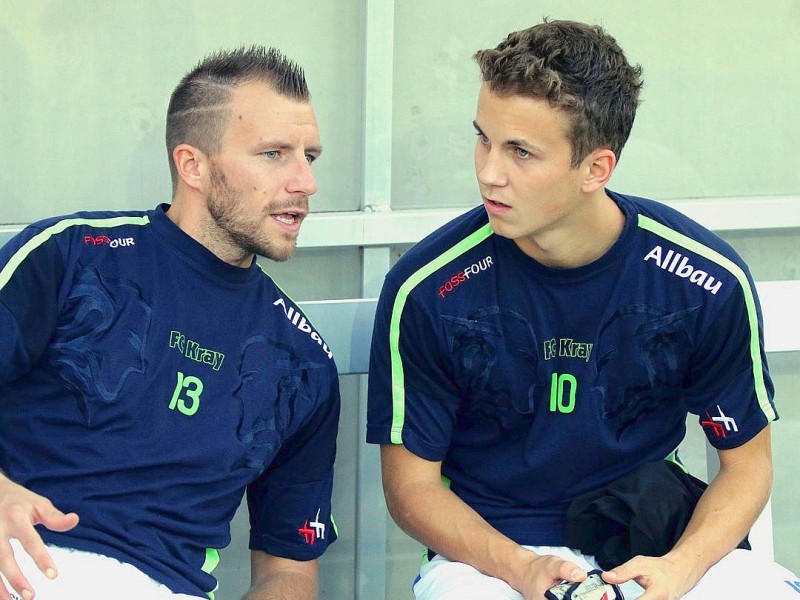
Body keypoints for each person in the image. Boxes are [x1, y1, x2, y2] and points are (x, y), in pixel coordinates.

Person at [367, 19, 798, 600]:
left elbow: (747, 465)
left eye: (521, 152)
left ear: (596, 168)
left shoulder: (705, 280)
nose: (488, 172)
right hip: (491, 559)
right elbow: (410, 487)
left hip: (653, 540)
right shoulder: (428, 287)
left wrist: (680, 568)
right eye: (484, 139)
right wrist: (520, 568)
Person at [0, 45, 340, 600]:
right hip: (23, 559)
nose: (305, 182)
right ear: (193, 166)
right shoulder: (72, 256)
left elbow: (289, 568)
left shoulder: (301, 361)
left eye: (311, 156)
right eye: (274, 154)